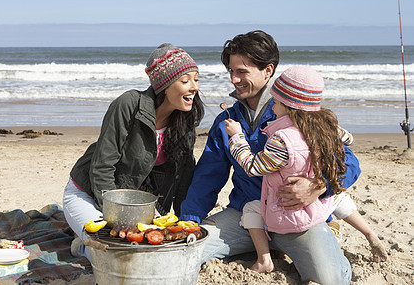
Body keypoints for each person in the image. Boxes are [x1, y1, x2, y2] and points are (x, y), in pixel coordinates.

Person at [179, 30, 361, 284]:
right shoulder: (226, 122)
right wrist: (189, 221)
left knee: (331, 279)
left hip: (295, 218)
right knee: (185, 252)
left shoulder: (300, 115)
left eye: (242, 71)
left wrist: (319, 186)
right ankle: (261, 248)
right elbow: (207, 177)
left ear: (268, 70)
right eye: (231, 71)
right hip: (246, 217)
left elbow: (349, 163)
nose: (234, 79)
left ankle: (319, 236)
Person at [224, 65, 387, 274]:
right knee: (338, 197)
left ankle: (264, 259)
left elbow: (253, 167)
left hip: (290, 211)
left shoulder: (281, 140)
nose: (272, 107)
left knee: (251, 209)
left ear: (289, 106)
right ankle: (370, 234)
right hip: (318, 203)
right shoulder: (326, 128)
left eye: (276, 102)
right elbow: (349, 139)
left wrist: (237, 137)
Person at [63, 43, 204, 259]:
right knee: (114, 255)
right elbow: (102, 166)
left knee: (148, 254)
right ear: (165, 85)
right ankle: (82, 246)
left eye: (196, 79)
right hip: (89, 194)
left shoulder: (184, 121)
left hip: (135, 206)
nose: (194, 87)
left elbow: (183, 178)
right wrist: (116, 220)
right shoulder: (128, 105)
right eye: (185, 81)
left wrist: (184, 223)